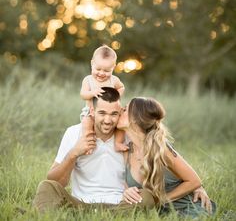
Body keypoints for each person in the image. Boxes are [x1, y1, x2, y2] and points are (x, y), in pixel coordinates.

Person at [33, 87, 213, 214]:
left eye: (115, 114)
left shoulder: (131, 137)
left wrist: (198, 187)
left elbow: (170, 164)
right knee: (46, 186)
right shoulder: (74, 133)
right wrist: (74, 153)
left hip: (121, 204)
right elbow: (55, 181)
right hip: (80, 203)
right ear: (92, 111)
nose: (108, 120)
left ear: (122, 114)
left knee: (147, 197)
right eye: (102, 113)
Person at [117, 97, 216, 218]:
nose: (120, 110)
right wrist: (126, 191)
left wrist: (161, 200)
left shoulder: (161, 148)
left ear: (135, 119)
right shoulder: (126, 149)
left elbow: (194, 181)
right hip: (160, 215)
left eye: (125, 109)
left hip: (190, 209)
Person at [80, 45, 127, 152]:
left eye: (106, 71)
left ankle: (118, 143)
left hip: (111, 111)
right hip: (90, 111)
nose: (101, 73)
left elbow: (121, 87)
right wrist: (92, 92)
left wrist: (117, 97)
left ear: (113, 68)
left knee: (121, 123)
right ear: (92, 64)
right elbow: (83, 94)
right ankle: (88, 145)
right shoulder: (88, 80)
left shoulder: (114, 80)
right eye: (98, 69)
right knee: (87, 124)